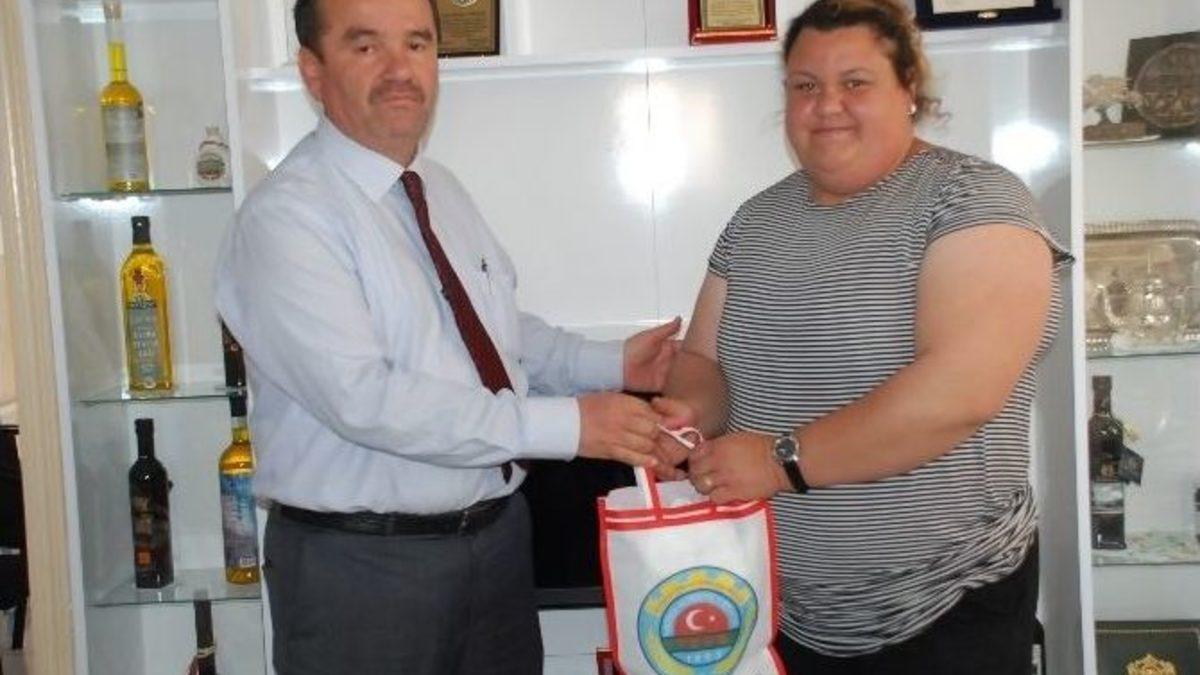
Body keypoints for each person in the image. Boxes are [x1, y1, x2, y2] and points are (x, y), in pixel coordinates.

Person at [213, 0, 678, 672]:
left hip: (495, 546)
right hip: (362, 572)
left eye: (417, 44)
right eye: (366, 47)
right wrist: (571, 425)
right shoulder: (287, 218)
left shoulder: (438, 188)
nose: (400, 69)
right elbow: (366, 399)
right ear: (312, 71)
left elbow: (487, 330)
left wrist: (614, 362)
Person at [651, 1, 1071, 673]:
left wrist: (780, 461)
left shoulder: (975, 200)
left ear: (909, 90)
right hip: (785, 606)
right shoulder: (756, 220)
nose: (827, 105)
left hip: (948, 604)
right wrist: (688, 416)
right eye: (805, 85)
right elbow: (704, 358)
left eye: (855, 82)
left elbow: (958, 394)